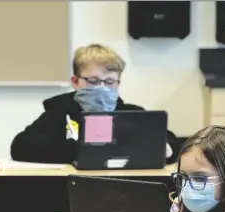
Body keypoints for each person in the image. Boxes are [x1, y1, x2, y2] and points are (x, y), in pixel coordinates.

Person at [10, 43, 181, 164]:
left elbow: (173, 144)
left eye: (109, 82)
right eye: (93, 81)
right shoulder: (58, 113)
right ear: (75, 81)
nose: (102, 88)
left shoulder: (132, 114)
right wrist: (79, 149)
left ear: (118, 83)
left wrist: (166, 149)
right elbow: (20, 147)